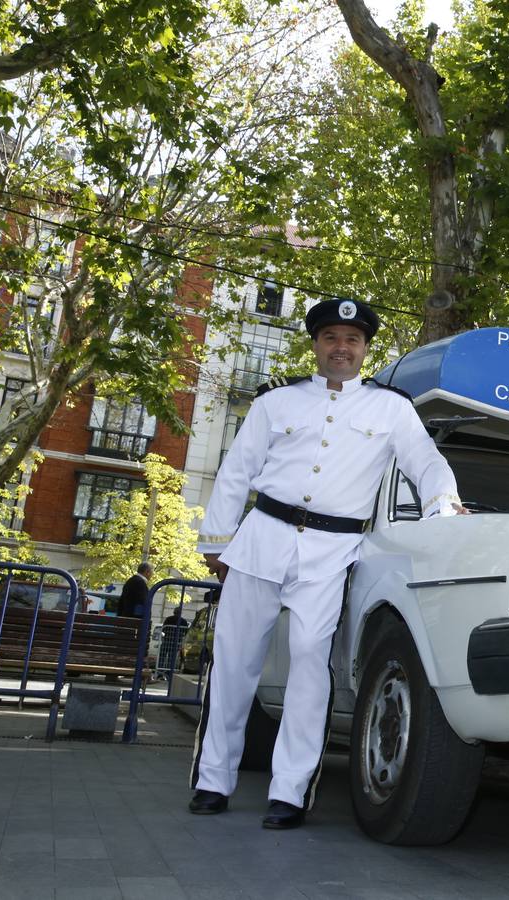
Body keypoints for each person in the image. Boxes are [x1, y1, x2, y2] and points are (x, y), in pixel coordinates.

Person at [188, 296, 467, 830]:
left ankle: (289, 793)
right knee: (233, 665)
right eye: (331, 338)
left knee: (310, 670)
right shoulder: (277, 402)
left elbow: (427, 463)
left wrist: (444, 507)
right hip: (261, 539)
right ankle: (212, 781)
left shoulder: (391, 409)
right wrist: (217, 541)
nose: (342, 348)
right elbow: (237, 469)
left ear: (365, 348)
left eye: (353, 340)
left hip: (332, 551)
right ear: (316, 344)